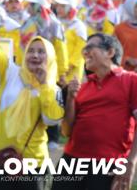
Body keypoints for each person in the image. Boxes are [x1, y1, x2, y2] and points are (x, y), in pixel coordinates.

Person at [0, 9, 64, 190]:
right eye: (31, 51)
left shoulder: (54, 88)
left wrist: (44, 86)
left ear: (50, 58)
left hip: (31, 164)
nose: (35, 55)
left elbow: (52, 119)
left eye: (41, 52)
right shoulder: (10, 72)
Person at [55, 34, 137, 189]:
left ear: (110, 52)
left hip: (108, 164)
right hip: (71, 160)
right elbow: (66, 131)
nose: (84, 52)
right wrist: (71, 98)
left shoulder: (131, 80)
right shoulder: (82, 88)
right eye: (84, 48)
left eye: (90, 47)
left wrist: (131, 162)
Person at [114, 0, 137, 71]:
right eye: (136, 6)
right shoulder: (119, 28)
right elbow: (112, 51)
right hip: (124, 72)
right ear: (129, 7)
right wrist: (126, 59)